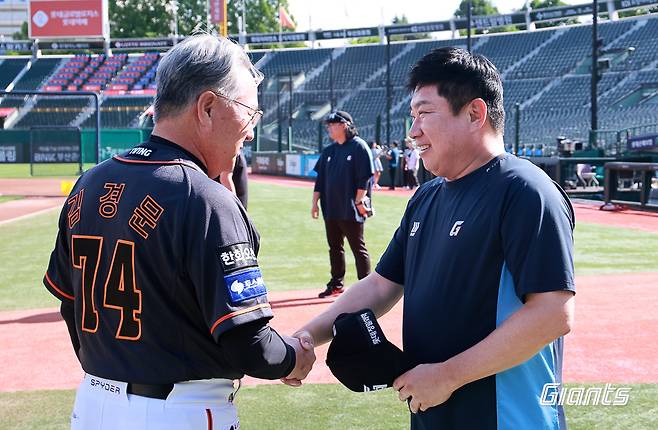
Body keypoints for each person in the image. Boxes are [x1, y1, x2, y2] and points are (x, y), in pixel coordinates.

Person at [287, 47, 575, 429]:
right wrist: (306, 336)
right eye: (412, 116)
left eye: (424, 113)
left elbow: (552, 314)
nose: (413, 131)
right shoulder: (426, 196)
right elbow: (379, 287)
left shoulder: (525, 191)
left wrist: (448, 375)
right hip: (432, 413)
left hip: (506, 419)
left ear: (475, 114)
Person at [42, 35, 314, 430]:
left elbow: (70, 306)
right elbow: (252, 346)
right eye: (249, 113)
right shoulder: (205, 200)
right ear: (207, 107)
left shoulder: (88, 183)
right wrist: (294, 356)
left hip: (91, 406)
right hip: (178, 411)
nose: (252, 131)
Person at [312, 110, 374, 298]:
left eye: (333, 125)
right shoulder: (329, 151)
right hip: (330, 208)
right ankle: (336, 283)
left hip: (351, 209)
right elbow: (320, 180)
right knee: (335, 248)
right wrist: (314, 203)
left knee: (358, 248)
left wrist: (358, 201)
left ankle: (366, 286)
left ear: (345, 126)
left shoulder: (359, 147)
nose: (329, 128)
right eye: (328, 125)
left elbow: (365, 178)